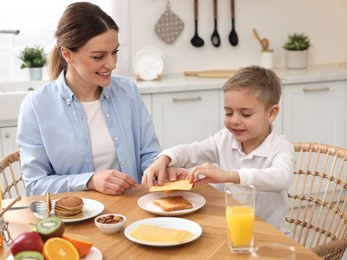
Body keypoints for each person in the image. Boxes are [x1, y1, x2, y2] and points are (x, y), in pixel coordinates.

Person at [17, 2, 161, 196]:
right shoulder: (36, 106)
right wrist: (90, 181)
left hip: (131, 209)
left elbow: (149, 155)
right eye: (98, 56)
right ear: (67, 54)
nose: (111, 64)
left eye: (114, 52)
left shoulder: (128, 92)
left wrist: (161, 166)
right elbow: (35, 185)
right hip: (73, 220)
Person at [142, 65, 295, 234]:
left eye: (245, 114)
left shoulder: (280, 147)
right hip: (227, 230)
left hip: (269, 236)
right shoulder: (224, 139)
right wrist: (165, 159)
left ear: (271, 113)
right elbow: (190, 151)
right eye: (229, 113)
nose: (235, 121)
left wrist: (228, 176)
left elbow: (281, 178)